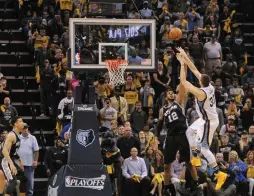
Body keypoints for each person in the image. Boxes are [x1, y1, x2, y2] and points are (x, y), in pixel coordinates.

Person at [176, 47, 227, 190]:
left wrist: (181, 64)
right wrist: (185, 56)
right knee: (189, 132)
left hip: (208, 122)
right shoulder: (209, 86)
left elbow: (184, 82)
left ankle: (219, 173)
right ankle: (196, 156)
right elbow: (193, 69)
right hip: (207, 119)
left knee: (205, 148)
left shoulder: (200, 93)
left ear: (200, 82)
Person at [156, 87, 198, 196]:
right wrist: (156, 136)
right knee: (166, 165)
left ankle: (196, 184)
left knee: (188, 162)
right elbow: (159, 125)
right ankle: (166, 188)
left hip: (182, 134)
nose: (171, 94)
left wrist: (182, 71)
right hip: (170, 136)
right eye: (169, 93)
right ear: (165, 97)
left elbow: (182, 86)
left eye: (172, 92)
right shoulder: (163, 110)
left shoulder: (178, 102)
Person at [0, 116, 25, 196]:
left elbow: (13, 152)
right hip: (5, 161)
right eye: (20, 121)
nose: (23, 123)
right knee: (12, 181)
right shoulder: (11, 135)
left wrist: (20, 160)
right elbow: (4, 150)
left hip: (10, 160)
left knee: (23, 178)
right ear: (15, 124)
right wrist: (11, 164)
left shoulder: (18, 135)